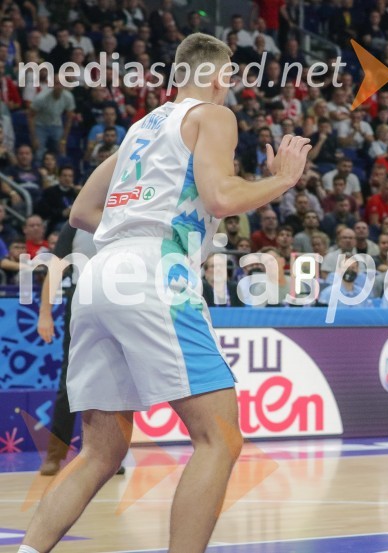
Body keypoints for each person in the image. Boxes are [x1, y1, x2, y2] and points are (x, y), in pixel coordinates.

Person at [18, 33, 311, 553]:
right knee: (219, 438)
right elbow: (222, 197)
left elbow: (81, 212)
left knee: (100, 453)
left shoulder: (139, 129)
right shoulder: (213, 116)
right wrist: (283, 180)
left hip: (100, 273)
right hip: (156, 271)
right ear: (221, 77)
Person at [36, 224, 127, 477]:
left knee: (116, 382)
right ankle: (55, 454)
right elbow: (55, 269)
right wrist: (45, 313)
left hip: (121, 304)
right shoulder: (74, 227)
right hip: (81, 305)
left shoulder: (125, 221)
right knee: (71, 380)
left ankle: (110, 453)